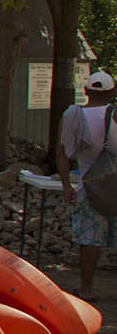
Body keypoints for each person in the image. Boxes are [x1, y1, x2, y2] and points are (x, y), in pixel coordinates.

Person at [60, 70, 117, 298]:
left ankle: (86, 288)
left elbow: (62, 153)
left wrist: (66, 185)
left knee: (89, 240)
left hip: (90, 187)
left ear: (86, 91)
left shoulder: (73, 116)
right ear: (113, 92)